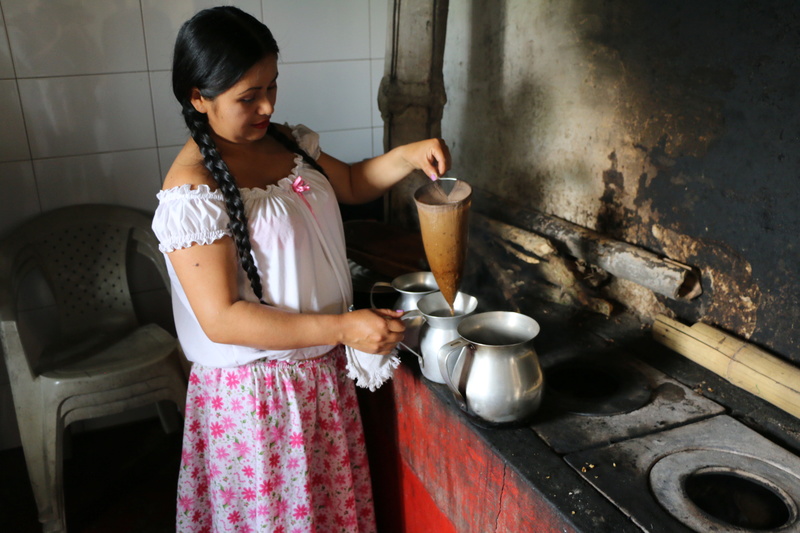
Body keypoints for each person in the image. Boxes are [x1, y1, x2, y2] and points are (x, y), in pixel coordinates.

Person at [151, 5, 451, 533]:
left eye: (272, 85)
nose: (267, 104)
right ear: (198, 99)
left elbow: (354, 183)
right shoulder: (192, 194)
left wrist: (407, 155)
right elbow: (223, 319)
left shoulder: (286, 142)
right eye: (248, 96)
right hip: (257, 405)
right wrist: (343, 326)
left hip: (317, 383)